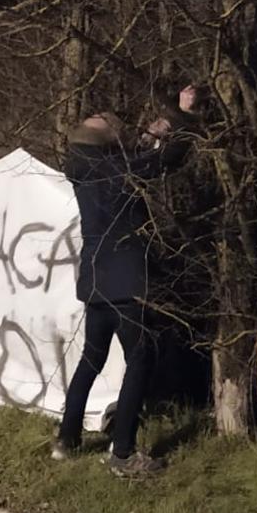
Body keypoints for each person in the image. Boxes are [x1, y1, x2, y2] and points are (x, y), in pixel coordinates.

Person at [53, 85, 199, 477]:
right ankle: (122, 454)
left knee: (91, 359)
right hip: (128, 282)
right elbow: (165, 160)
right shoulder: (117, 169)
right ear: (108, 143)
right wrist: (184, 117)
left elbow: (136, 155)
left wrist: (160, 127)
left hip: (96, 282)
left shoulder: (85, 169)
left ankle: (67, 439)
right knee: (140, 358)